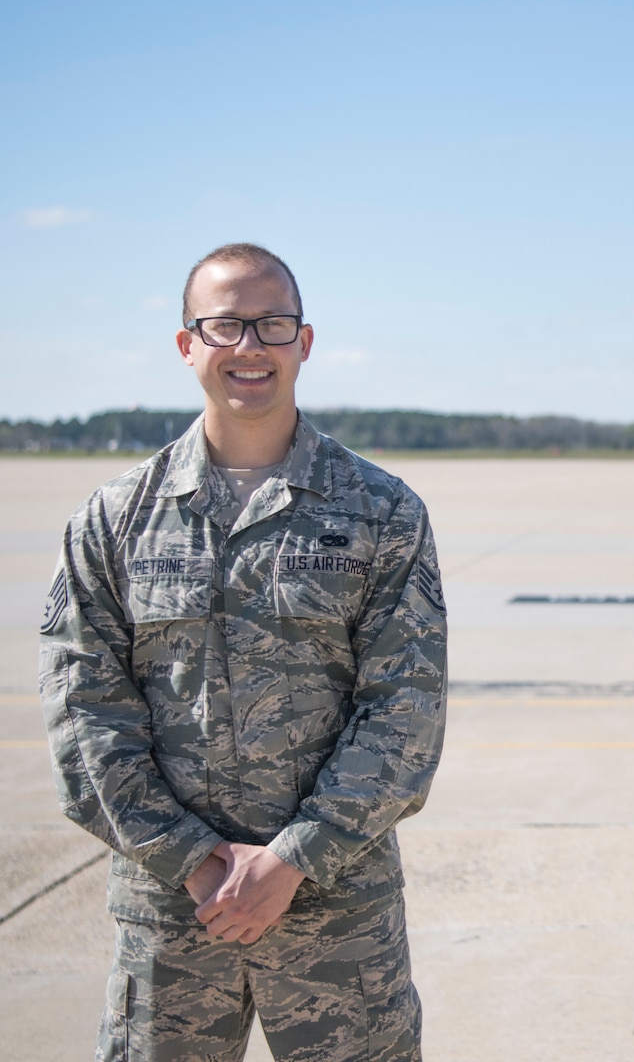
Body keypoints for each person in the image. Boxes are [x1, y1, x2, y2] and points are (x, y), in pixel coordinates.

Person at [39, 243, 448, 1061]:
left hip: (338, 920)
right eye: (225, 324)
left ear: (305, 341)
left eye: (272, 323)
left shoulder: (382, 512)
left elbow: (406, 710)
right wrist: (189, 859)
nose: (249, 346)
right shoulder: (115, 520)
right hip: (172, 920)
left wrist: (295, 859)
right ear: (188, 344)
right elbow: (85, 712)